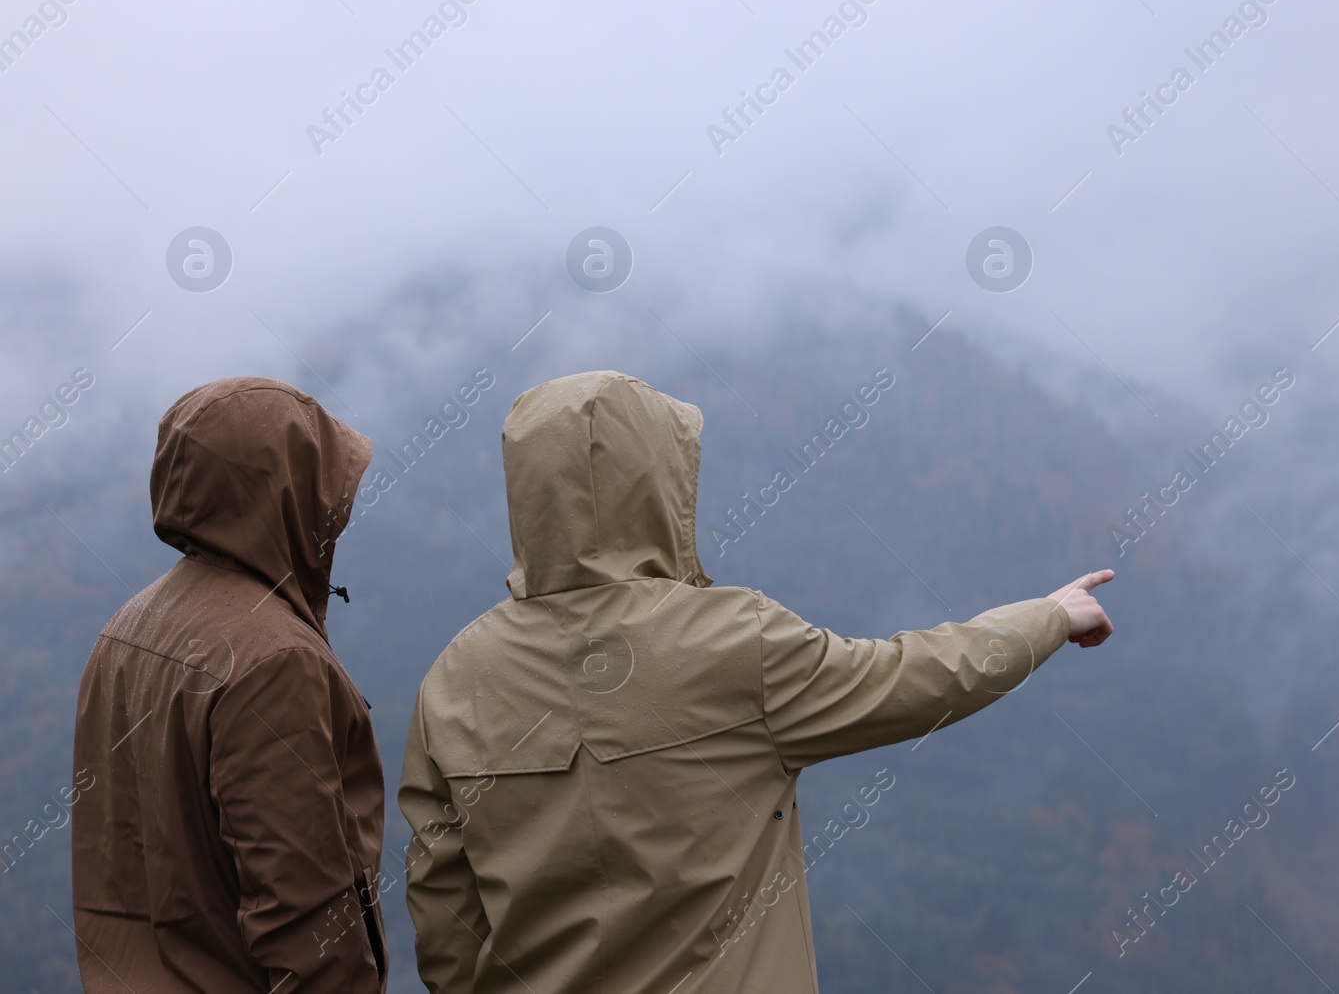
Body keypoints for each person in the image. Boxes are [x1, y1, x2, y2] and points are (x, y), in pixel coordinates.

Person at [400, 370, 1113, 994]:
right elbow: (919, 676)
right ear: (659, 483)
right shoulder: (736, 640)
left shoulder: (456, 676)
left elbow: (443, 909)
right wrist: (1046, 616)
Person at [72, 377, 388, 993]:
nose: (337, 514)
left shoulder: (125, 629)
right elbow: (306, 920)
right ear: (285, 493)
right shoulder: (275, 661)